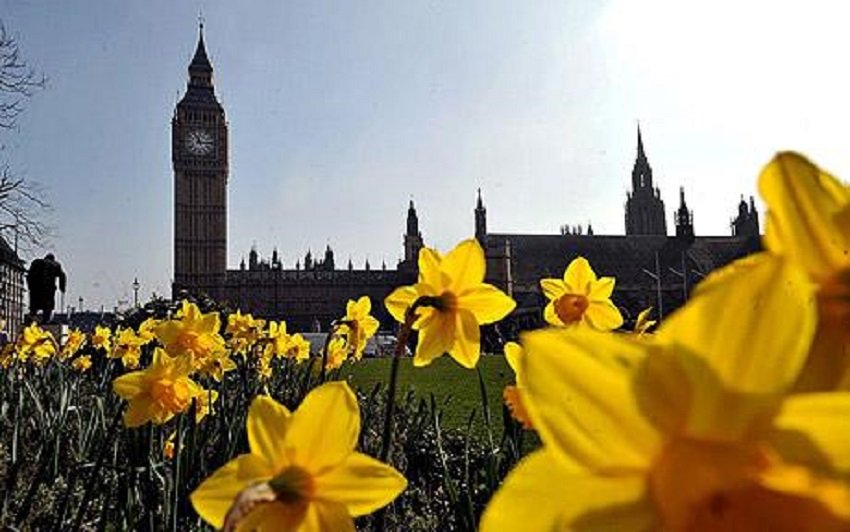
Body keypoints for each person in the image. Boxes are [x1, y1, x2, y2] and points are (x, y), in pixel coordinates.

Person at [26, 253, 66, 324]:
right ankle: (46, 320)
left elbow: (29, 276)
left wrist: (30, 286)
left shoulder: (36, 262)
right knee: (48, 306)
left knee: (34, 305)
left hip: (35, 289)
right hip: (48, 289)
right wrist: (62, 288)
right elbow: (62, 275)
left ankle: (31, 318)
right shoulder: (55, 264)